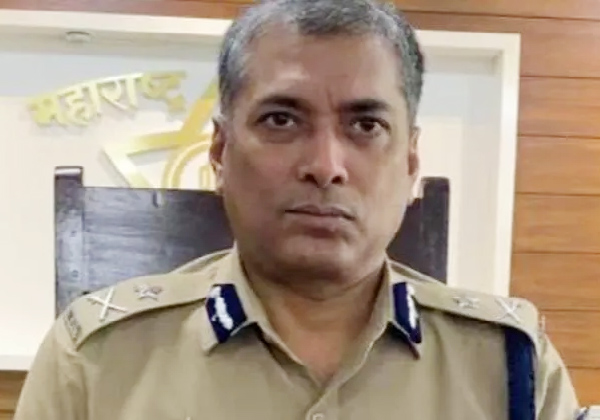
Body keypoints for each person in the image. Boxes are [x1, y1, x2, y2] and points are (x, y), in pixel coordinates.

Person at [14, 0, 582, 419]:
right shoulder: (96, 360)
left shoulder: (509, 366)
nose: (326, 165)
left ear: (410, 161)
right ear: (220, 152)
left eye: (366, 125)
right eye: (281, 120)